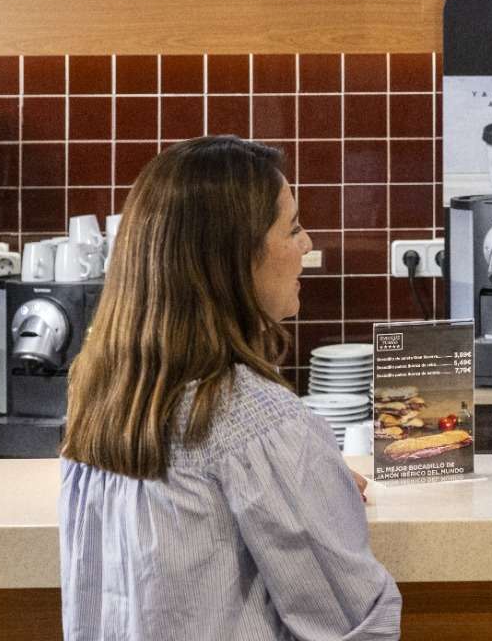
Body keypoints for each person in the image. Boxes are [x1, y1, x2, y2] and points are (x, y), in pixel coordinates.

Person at [59, 136, 401, 640]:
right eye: (294, 228)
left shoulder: (103, 401)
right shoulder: (257, 421)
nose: (307, 245)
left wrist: (305, 477)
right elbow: (353, 622)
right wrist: (298, 469)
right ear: (235, 258)